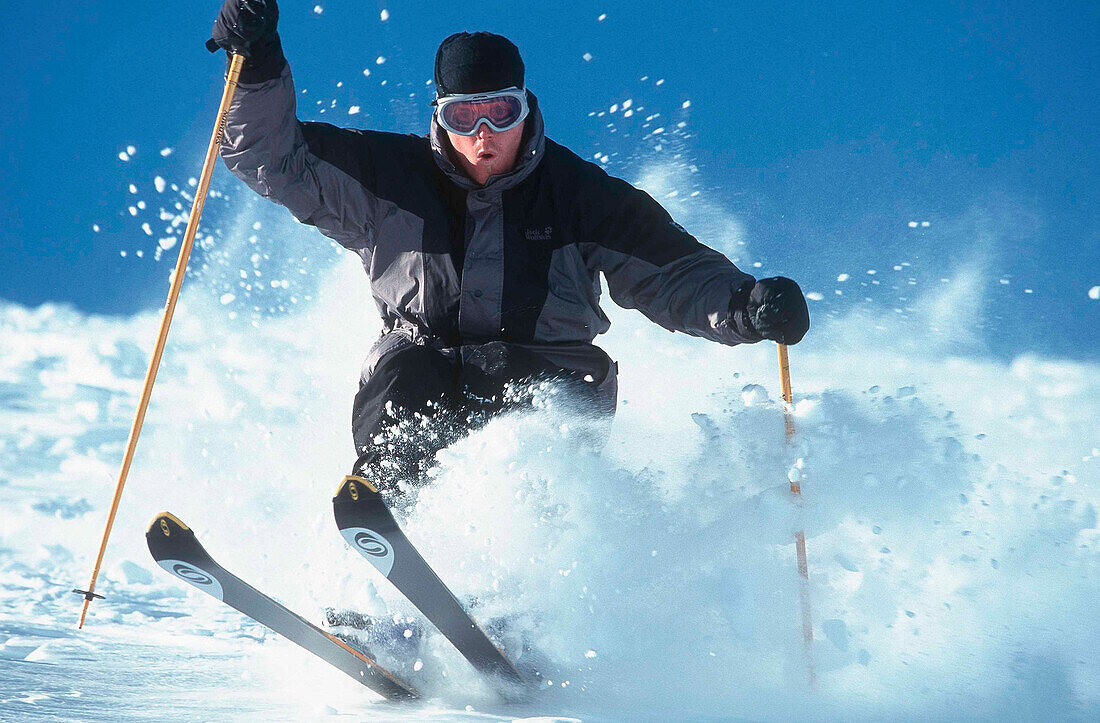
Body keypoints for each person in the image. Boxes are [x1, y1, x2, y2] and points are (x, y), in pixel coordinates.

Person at [209, 0, 810, 493]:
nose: (483, 136)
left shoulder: (581, 196)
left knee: (528, 405)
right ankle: (384, 564)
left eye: (500, 112)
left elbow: (672, 272)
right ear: (439, 118)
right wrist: (257, 63)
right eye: (463, 116)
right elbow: (272, 158)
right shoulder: (386, 179)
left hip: (548, 377)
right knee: (404, 379)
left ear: (527, 108)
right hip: (422, 368)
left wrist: (742, 303)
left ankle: (522, 598)